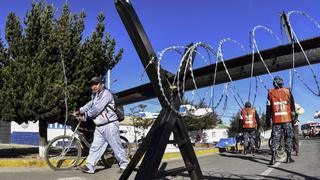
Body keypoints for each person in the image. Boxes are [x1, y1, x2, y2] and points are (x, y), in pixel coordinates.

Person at [77, 77, 128, 174]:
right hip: (99, 126)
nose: (94, 87)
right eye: (92, 85)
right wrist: (79, 111)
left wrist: (85, 116)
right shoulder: (95, 97)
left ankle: (125, 164)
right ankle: (90, 166)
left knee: (116, 146)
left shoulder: (106, 94)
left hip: (110, 124)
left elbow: (96, 109)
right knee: (95, 147)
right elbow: (89, 105)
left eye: (96, 84)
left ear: (102, 84)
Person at [266, 76, 296, 165]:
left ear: (274, 83)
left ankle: (273, 159)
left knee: (275, 139)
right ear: (282, 82)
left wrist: (268, 119)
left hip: (276, 121)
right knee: (288, 137)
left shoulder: (270, 93)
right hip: (287, 119)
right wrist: (293, 117)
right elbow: (293, 105)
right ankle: (289, 157)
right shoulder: (287, 91)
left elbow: (268, 108)